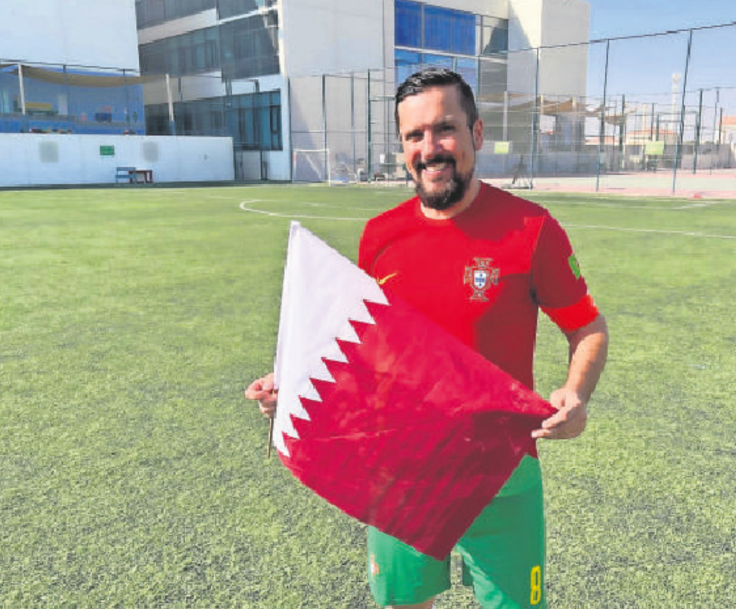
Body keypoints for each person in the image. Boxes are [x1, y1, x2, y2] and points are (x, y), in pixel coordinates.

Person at [246, 67, 609, 609]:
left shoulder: (531, 229)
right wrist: (293, 385)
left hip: (501, 474)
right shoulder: (380, 237)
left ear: (476, 133)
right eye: (414, 135)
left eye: (445, 129)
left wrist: (576, 394)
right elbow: (364, 353)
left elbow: (588, 327)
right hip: (402, 471)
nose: (430, 148)